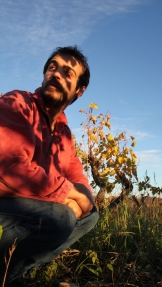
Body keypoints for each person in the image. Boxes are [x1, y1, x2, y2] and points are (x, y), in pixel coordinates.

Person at [0, 46, 99, 285]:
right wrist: (70, 195)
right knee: (60, 218)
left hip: (23, 207)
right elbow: (10, 169)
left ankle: (8, 276)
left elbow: (79, 179)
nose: (55, 74)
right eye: (52, 68)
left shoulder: (65, 134)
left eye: (67, 72)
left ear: (79, 90)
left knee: (90, 217)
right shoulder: (17, 103)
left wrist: (82, 199)